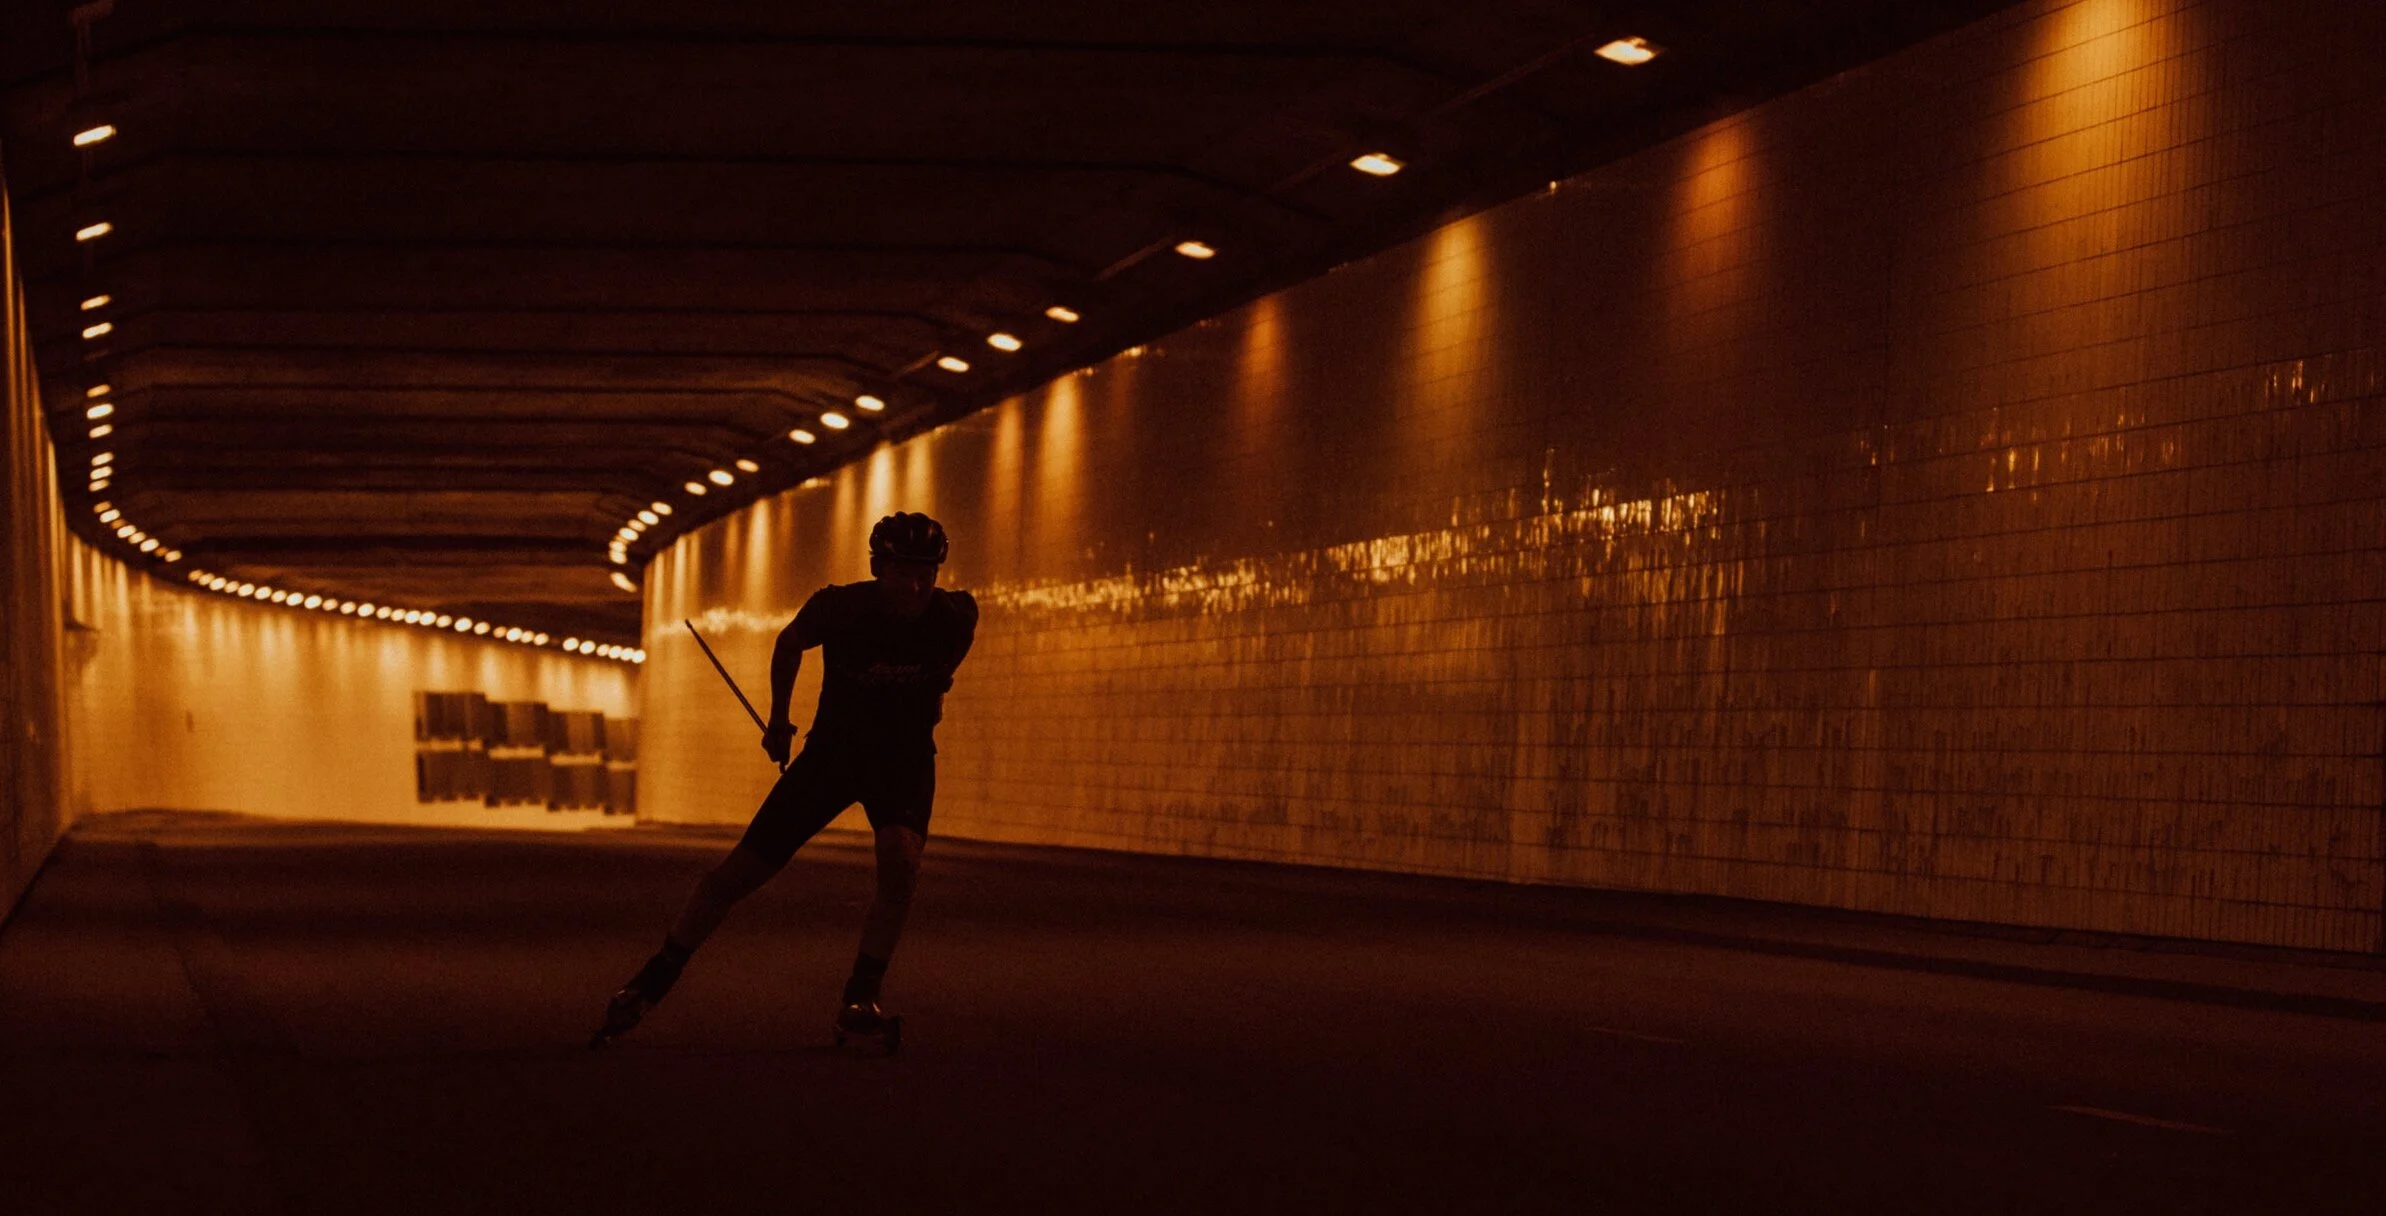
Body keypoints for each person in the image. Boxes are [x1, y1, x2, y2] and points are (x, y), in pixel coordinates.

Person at [593, 511, 977, 1048]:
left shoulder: (955, 617)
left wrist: (935, 692)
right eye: (901, 574)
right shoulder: (840, 607)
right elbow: (790, 642)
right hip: (833, 757)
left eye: (925, 575)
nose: (914, 587)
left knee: (901, 868)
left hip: (903, 761)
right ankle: (650, 982)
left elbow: (947, 664)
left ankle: (860, 999)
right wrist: (778, 720)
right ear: (877, 568)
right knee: (736, 876)